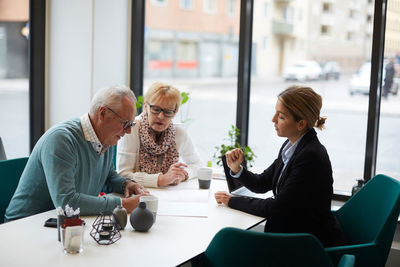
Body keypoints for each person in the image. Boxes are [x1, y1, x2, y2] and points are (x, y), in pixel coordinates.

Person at [215, 85, 346, 247]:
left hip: (304, 245)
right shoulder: (292, 145)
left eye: (281, 117)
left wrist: (232, 201)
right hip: (290, 236)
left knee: (226, 247)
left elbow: (277, 208)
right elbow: (263, 182)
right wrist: (237, 169)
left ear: (301, 124)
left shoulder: (310, 156)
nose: (273, 119)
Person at [5, 85, 149, 222]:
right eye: (125, 123)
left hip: (64, 224)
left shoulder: (107, 137)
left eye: (131, 124)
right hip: (25, 226)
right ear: (103, 113)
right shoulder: (61, 140)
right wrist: (122, 204)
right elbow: (67, 203)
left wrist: (125, 184)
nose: (129, 131)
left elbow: (107, 177)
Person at [117, 82, 202, 188]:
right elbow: (123, 175)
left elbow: (198, 165)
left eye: (167, 112)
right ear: (145, 107)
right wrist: (161, 179)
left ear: (175, 113)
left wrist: (182, 175)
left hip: (169, 195)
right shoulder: (132, 129)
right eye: (156, 109)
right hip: (137, 196)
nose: (161, 116)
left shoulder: (179, 132)